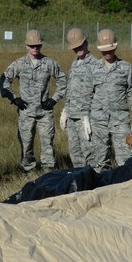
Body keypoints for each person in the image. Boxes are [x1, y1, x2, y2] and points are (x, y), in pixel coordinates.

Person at [0, 30, 67, 172]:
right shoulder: (19, 64)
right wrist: (14, 98)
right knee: (26, 144)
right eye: (32, 45)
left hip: (45, 113)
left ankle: (48, 172)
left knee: (47, 143)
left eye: (38, 45)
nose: (35, 48)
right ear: (26, 46)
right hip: (26, 112)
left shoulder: (49, 63)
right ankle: (28, 172)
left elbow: (63, 81)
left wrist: (54, 99)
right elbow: (4, 80)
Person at [90, 29, 132, 171]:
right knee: (100, 160)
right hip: (98, 121)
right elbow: (88, 95)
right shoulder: (93, 68)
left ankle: (125, 187)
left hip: (120, 120)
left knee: (125, 159)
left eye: (110, 50)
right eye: (104, 50)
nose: (107, 53)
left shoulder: (126, 67)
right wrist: (84, 118)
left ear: (116, 46)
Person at [59, 28, 97, 167]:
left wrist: (89, 117)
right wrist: (66, 110)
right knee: (75, 153)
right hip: (73, 117)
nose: (78, 50)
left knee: (90, 153)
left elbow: (98, 93)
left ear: (86, 42)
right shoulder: (74, 64)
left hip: (87, 118)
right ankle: (81, 184)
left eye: (80, 46)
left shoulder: (95, 65)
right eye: (75, 48)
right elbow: (70, 89)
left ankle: (95, 185)